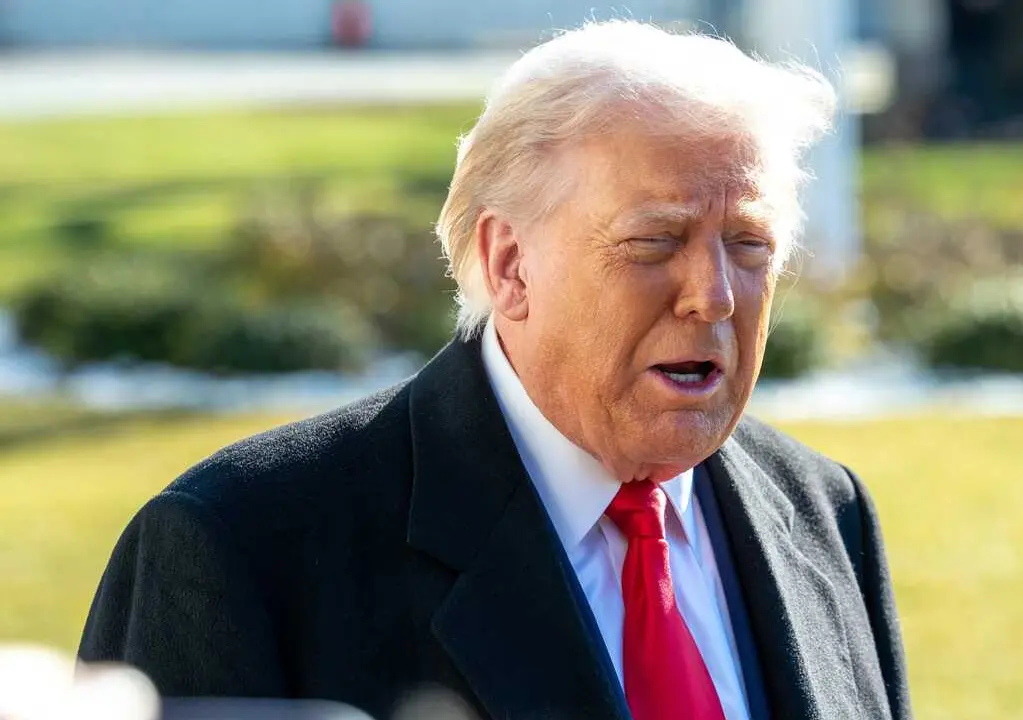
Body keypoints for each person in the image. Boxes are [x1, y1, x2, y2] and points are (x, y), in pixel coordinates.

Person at [79, 20, 912, 720]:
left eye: (750, 246)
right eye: (654, 242)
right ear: (510, 264)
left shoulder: (825, 512)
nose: (714, 297)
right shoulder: (239, 544)